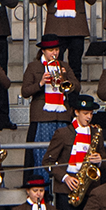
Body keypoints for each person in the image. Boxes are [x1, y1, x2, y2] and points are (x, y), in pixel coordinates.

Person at [46, 95, 105, 210]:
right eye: (86, 113)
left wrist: (100, 160)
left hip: (91, 191)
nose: (89, 117)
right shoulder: (63, 133)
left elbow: (103, 155)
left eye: (91, 113)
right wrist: (65, 177)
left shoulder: (96, 132)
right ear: (76, 112)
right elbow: (48, 161)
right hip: (68, 189)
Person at [20, 35, 74, 181]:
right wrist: (41, 83)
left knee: (62, 154)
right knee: (42, 154)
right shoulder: (34, 66)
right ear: (43, 51)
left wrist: (65, 78)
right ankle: (42, 186)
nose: (54, 53)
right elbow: (25, 91)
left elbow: (76, 86)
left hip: (62, 116)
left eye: (56, 49)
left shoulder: (64, 66)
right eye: (51, 50)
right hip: (42, 117)